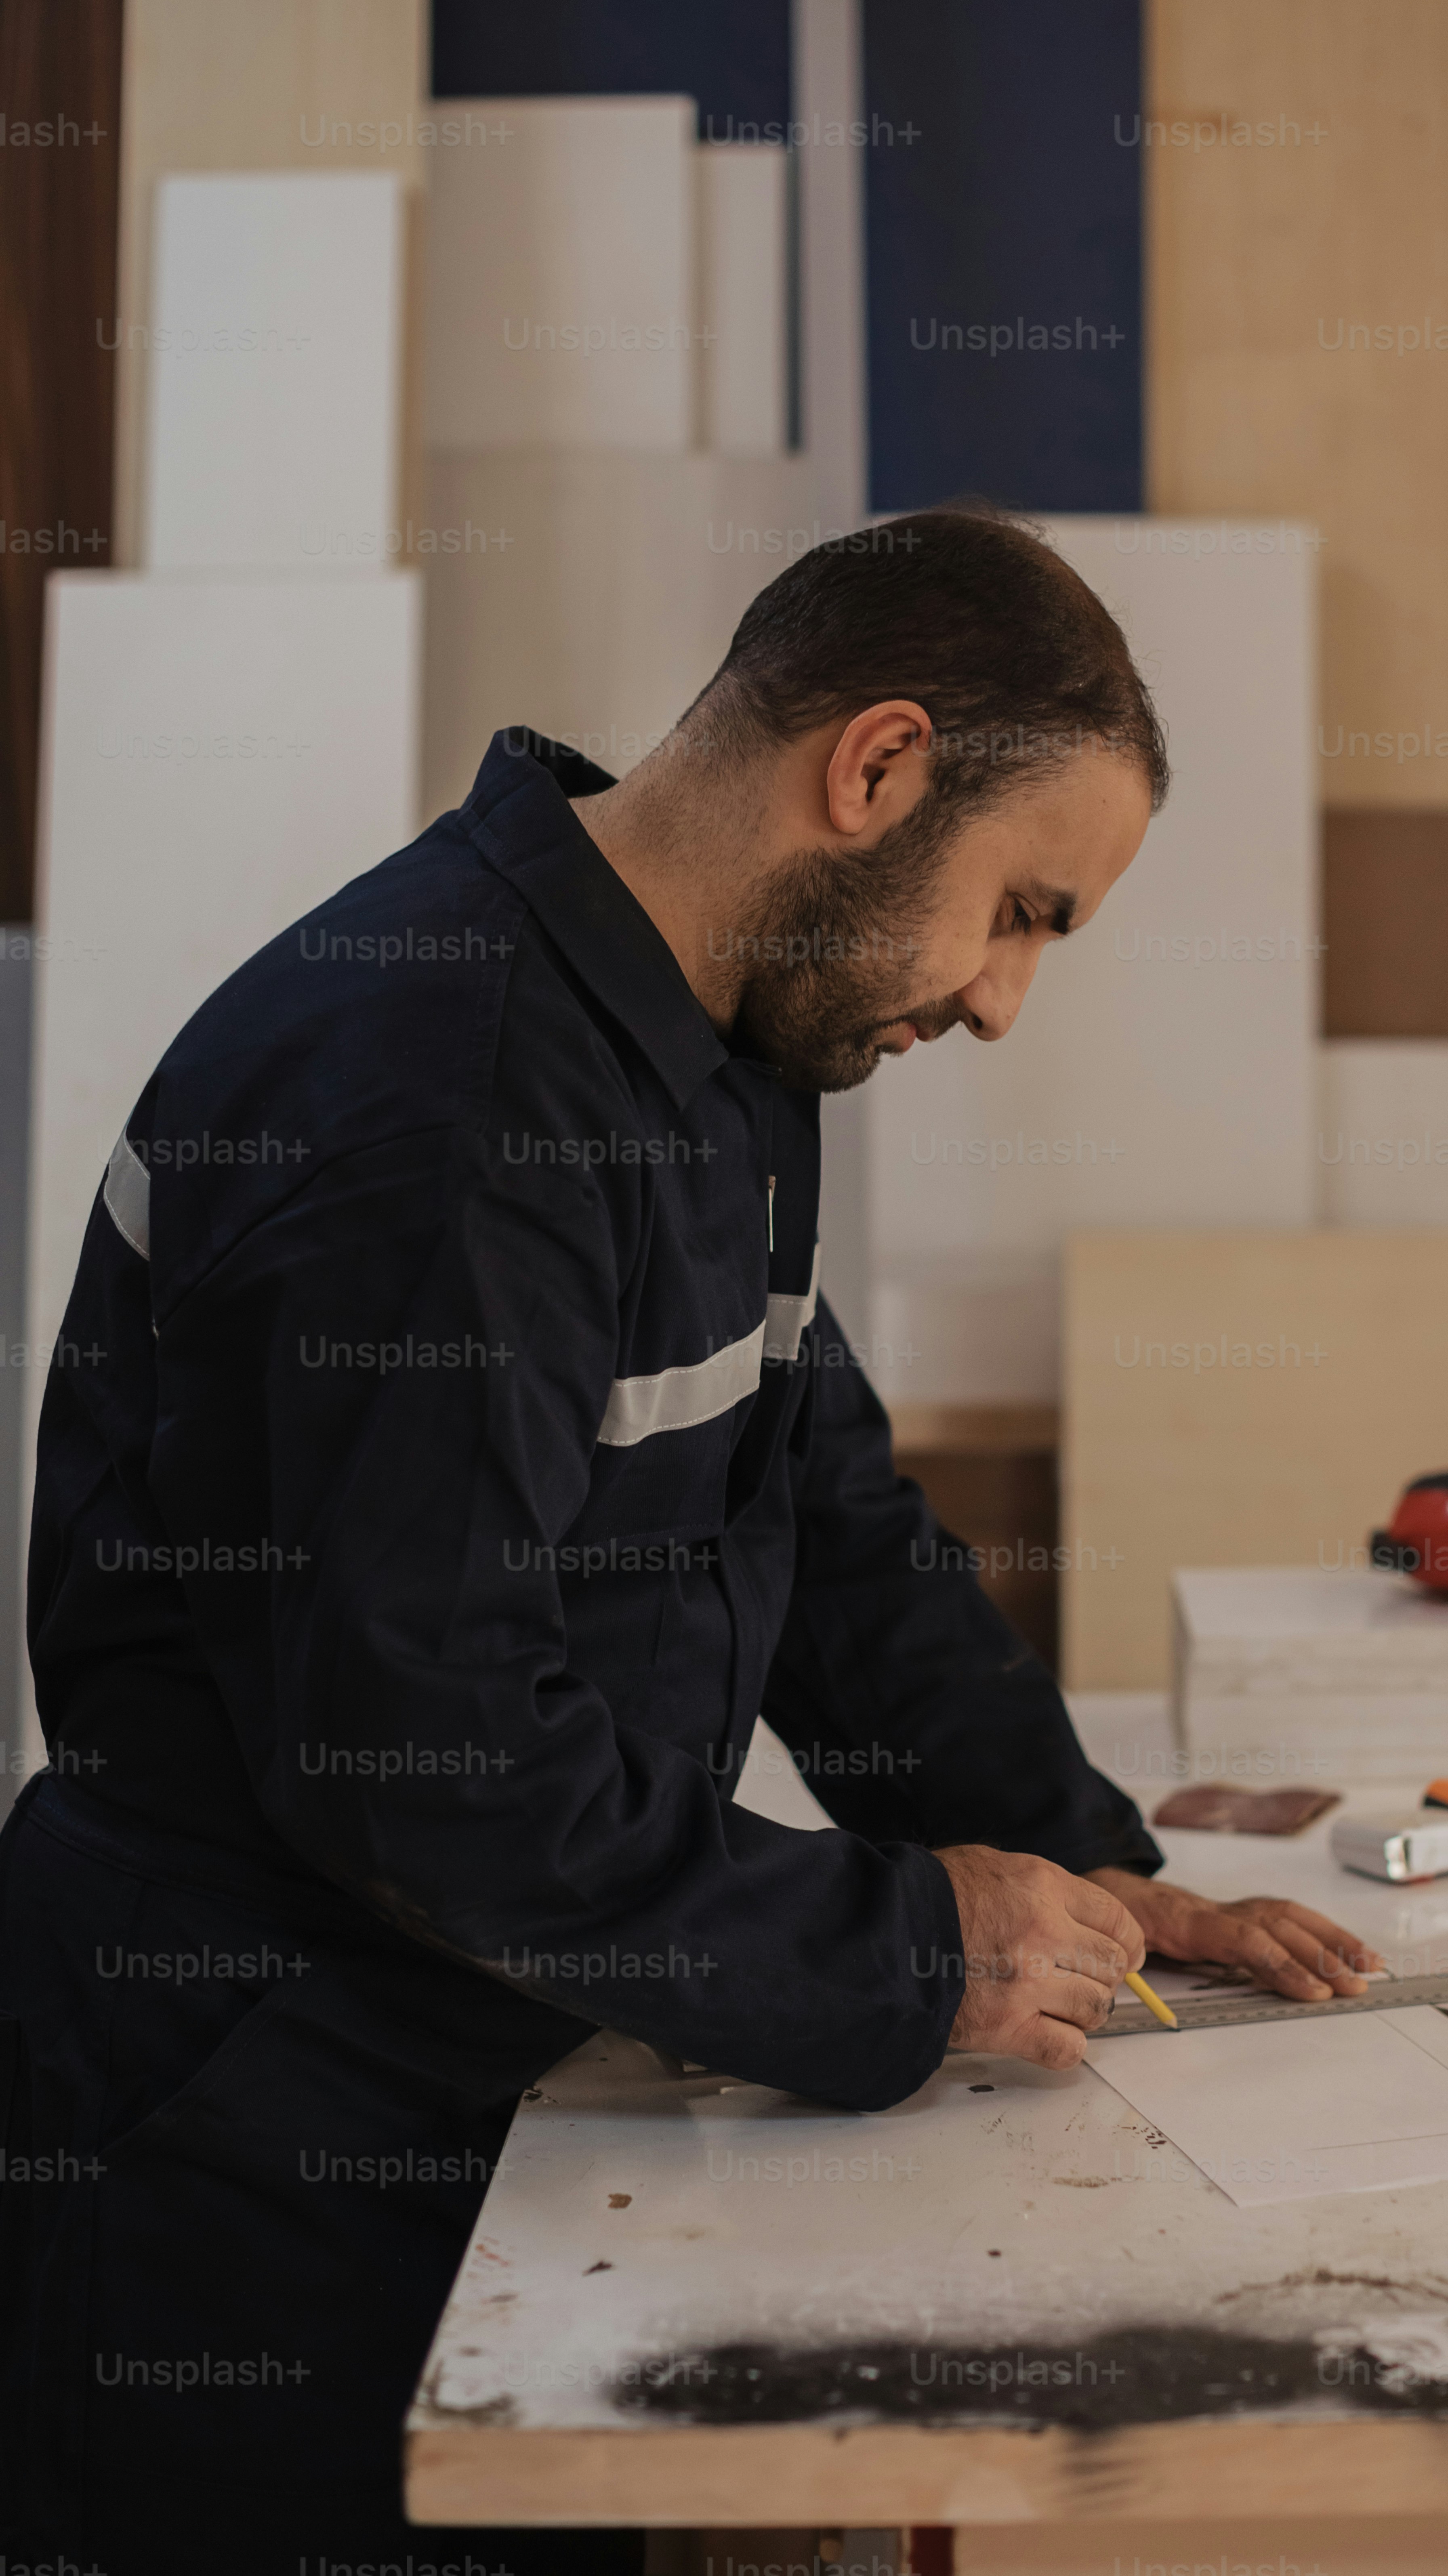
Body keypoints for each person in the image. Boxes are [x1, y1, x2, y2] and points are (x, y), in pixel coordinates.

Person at [0, 509, 1377, 2575]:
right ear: (879, 767)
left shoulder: (715, 1038)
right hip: (252, 2126)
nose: (1004, 1003)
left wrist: (1077, 1860)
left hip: (484, 2052)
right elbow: (435, 1759)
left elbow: (815, 1508)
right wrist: (915, 1952)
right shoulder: (446, 1105)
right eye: (1021, 913)